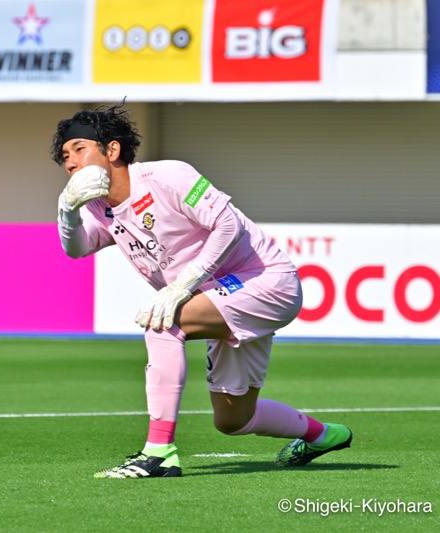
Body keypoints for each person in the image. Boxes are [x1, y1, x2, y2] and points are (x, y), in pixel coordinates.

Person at [51, 102, 352, 479]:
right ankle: (324, 436)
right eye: (65, 156)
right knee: (234, 419)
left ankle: (159, 454)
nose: (71, 162)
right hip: (219, 297)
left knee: (163, 324)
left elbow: (228, 225)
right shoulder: (98, 207)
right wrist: (66, 211)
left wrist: (181, 286)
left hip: (265, 279)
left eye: (80, 149)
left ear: (111, 150)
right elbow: (78, 247)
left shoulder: (166, 176)